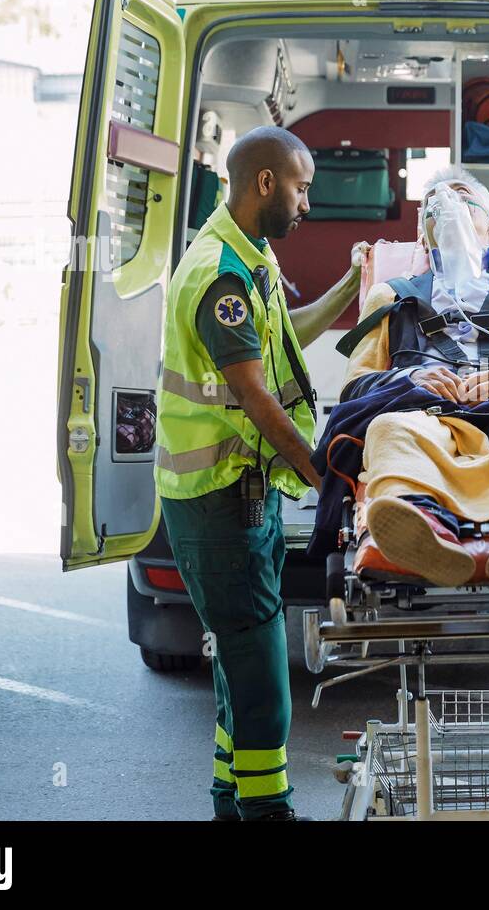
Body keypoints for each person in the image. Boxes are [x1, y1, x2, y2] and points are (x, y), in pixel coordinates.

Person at [153, 125, 359, 821]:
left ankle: (229, 799)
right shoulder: (222, 277)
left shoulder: (249, 257)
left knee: (238, 667)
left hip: (245, 494)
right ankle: (269, 813)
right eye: (302, 188)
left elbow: (286, 334)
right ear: (265, 184)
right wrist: (327, 476)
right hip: (218, 504)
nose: (308, 202)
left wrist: (354, 287)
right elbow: (253, 394)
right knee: (264, 679)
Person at [319, 166, 489, 587]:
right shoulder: (391, 297)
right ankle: (421, 530)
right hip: (423, 418)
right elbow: (355, 389)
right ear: (422, 237)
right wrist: (409, 381)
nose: (446, 204)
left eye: (463, 195)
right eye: (433, 203)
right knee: (388, 430)